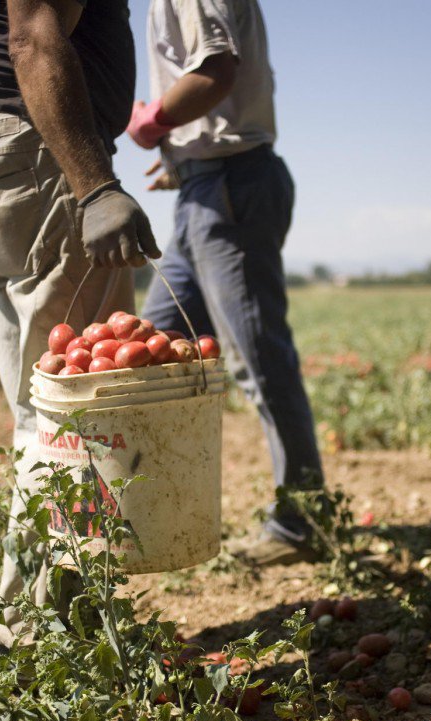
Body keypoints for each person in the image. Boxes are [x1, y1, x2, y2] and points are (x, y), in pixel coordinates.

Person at [0, 0, 159, 679]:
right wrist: (93, 186)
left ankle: (52, 623)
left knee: (42, 411)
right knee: (72, 418)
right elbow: (31, 36)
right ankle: (26, 642)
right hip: (37, 153)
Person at [126, 0, 323, 566]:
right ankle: (150, 516)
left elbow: (216, 72)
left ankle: (301, 524)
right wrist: (185, 160)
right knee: (153, 352)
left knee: (259, 360)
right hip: (207, 186)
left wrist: (152, 122)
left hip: (231, 185)